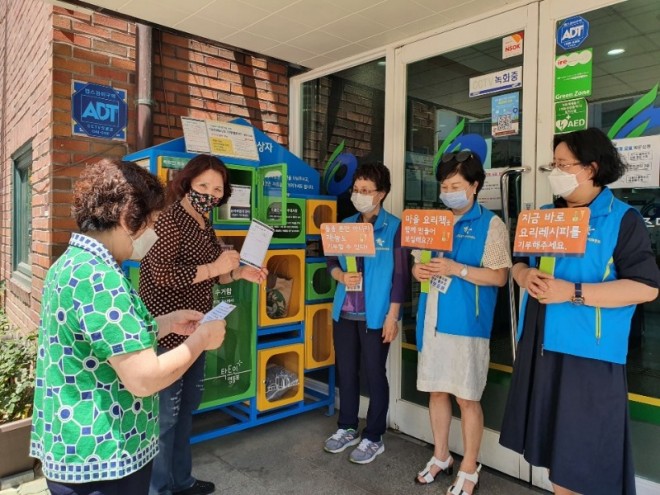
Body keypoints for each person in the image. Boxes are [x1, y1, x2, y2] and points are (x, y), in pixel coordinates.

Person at [30, 159, 226, 495]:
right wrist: (201, 340)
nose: (152, 234)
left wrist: (166, 322)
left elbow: (110, 338)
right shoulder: (99, 278)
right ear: (126, 217)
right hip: (101, 459)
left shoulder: (74, 263)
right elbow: (144, 377)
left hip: (81, 451)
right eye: (150, 223)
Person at [499, 128, 660, 495]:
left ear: (590, 168)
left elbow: (646, 287)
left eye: (561, 164)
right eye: (552, 164)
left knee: (583, 458)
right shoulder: (543, 215)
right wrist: (525, 276)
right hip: (541, 346)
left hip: (588, 354)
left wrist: (571, 292)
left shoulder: (622, 219)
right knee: (558, 454)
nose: (555, 171)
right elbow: (518, 264)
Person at [139, 154, 267, 495]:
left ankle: (181, 482)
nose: (210, 193)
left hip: (198, 328)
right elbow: (161, 275)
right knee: (164, 417)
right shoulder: (169, 220)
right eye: (203, 186)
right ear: (186, 183)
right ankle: (158, 489)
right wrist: (215, 269)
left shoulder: (204, 223)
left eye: (217, 189)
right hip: (167, 331)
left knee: (184, 413)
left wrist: (241, 272)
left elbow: (218, 270)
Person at [411, 151, 511, 495]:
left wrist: (458, 269)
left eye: (455, 184)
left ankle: (469, 465)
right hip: (433, 319)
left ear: (475, 186)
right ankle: (441, 456)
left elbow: (499, 277)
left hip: (468, 324)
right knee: (437, 391)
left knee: (467, 398)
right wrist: (418, 269)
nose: (448, 190)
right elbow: (418, 265)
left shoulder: (491, 224)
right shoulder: (433, 222)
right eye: (444, 185)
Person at [323, 162, 408, 464]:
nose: (359, 195)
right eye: (356, 190)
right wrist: (340, 278)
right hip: (345, 313)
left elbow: (400, 277)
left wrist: (392, 316)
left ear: (381, 194)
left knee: (374, 374)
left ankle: (373, 435)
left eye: (366, 190)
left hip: (376, 317)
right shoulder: (345, 225)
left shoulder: (395, 227)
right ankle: (347, 426)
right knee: (346, 372)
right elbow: (331, 262)